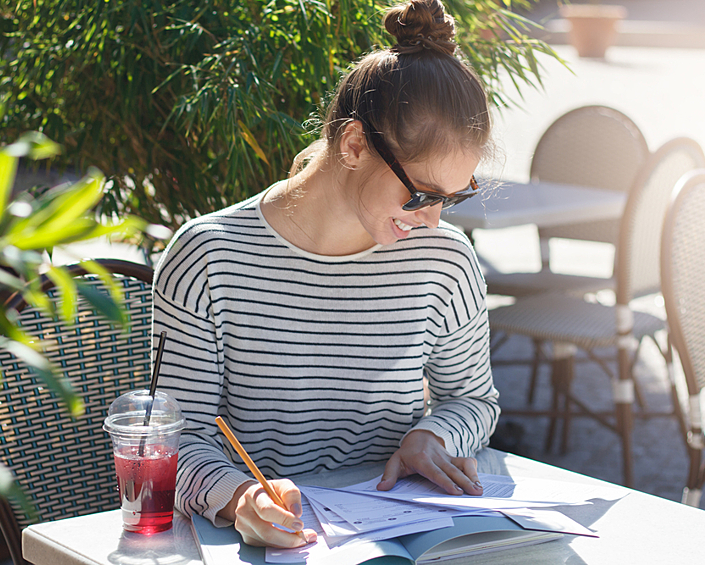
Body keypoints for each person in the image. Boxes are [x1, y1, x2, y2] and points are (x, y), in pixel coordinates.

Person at [152, 0, 499, 549]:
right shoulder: (208, 257)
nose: (433, 219)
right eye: (422, 195)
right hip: (258, 545)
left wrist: (431, 435)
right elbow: (173, 438)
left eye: (453, 197)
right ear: (355, 144)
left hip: (400, 538)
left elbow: (474, 401)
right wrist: (240, 497)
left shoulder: (445, 260)